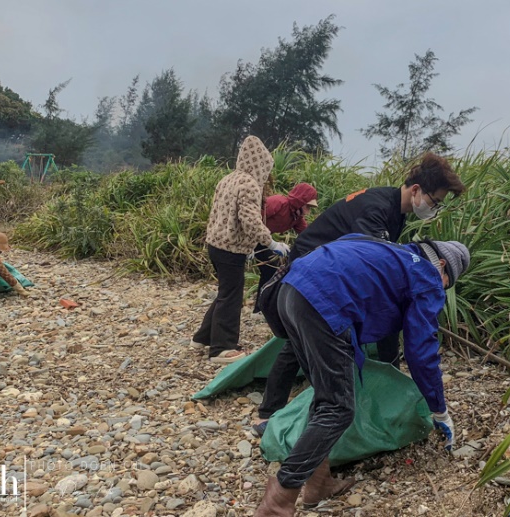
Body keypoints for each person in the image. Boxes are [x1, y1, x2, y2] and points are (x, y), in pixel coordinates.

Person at [254, 235, 470, 516]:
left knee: (325, 396)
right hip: (323, 302)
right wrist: (439, 409)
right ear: (441, 265)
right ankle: (278, 501)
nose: (443, 289)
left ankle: (318, 483)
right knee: (339, 408)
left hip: (291, 290)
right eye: (447, 282)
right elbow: (421, 352)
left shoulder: (392, 253)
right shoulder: (426, 275)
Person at [253, 152, 465, 435]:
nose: (434, 209)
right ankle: (272, 413)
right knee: (299, 342)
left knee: (310, 342)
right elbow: (370, 263)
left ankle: (350, 396)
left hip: (324, 274)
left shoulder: (393, 208)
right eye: (435, 202)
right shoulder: (376, 209)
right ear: (416, 190)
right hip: (313, 269)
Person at [193, 135, 289, 364]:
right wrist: (272, 243)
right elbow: (250, 220)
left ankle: (202, 337)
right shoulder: (250, 184)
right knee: (231, 296)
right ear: (260, 163)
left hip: (215, 244)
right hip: (230, 249)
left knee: (226, 292)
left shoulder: (228, 179)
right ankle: (221, 349)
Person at [251, 183, 318, 312]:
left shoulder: (296, 217)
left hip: (263, 240)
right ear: (300, 202)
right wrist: (249, 244)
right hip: (251, 236)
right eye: (308, 206)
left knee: (270, 271)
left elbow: (307, 235)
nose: (309, 211)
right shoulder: (279, 202)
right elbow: (254, 218)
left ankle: (260, 309)